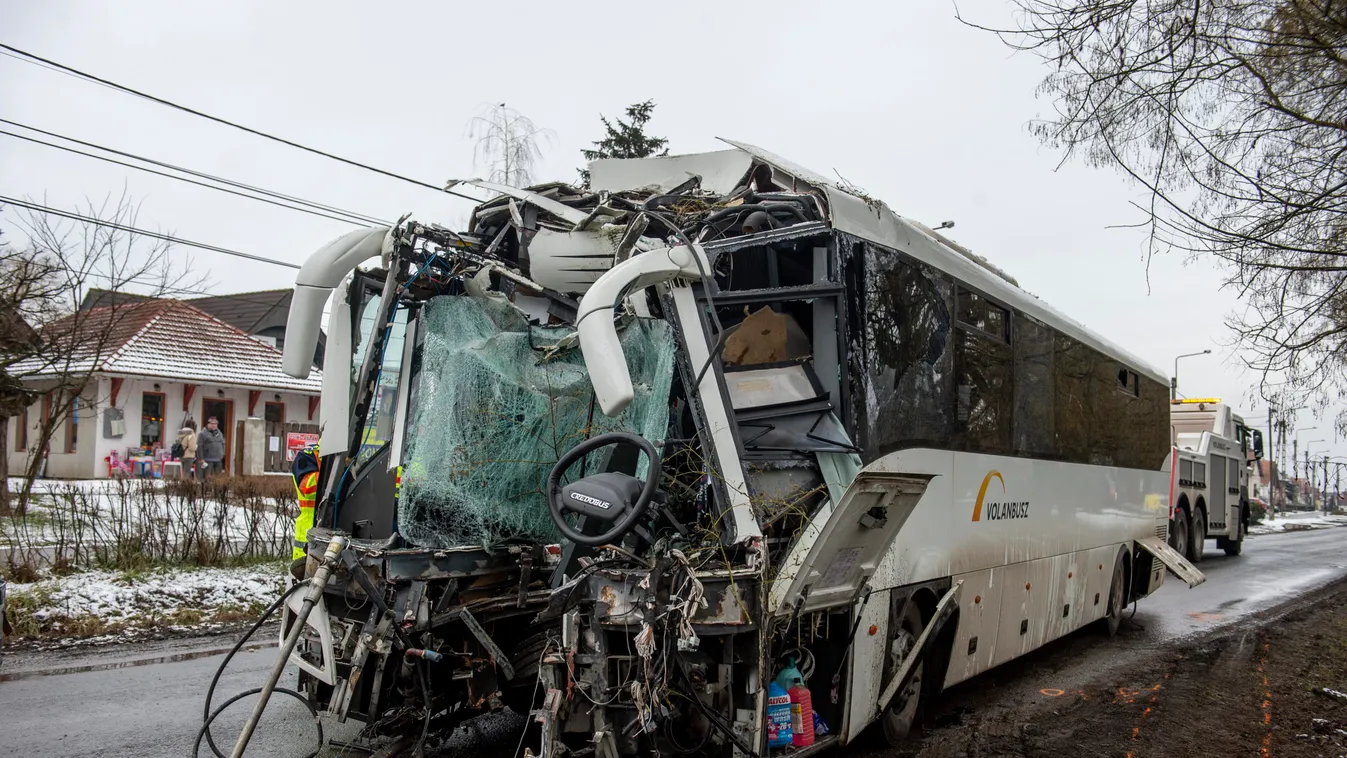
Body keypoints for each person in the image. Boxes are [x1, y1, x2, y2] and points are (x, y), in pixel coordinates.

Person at [290, 443, 321, 579]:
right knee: (307, 586)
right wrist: (335, 470)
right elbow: (308, 489)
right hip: (309, 538)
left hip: (336, 535)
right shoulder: (308, 455)